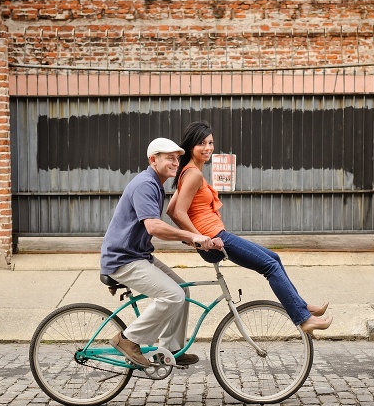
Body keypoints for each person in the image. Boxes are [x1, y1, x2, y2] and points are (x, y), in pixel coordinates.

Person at [166, 120, 333, 337]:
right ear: (191, 146)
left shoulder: (189, 172)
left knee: (274, 258)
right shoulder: (193, 174)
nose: (207, 148)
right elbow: (178, 212)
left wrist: (194, 239)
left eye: (210, 143)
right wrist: (197, 239)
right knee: (270, 267)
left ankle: (300, 306)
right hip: (215, 237)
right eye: (201, 143)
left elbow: (171, 210)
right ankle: (303, 319)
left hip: (214, 236)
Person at [101, 137, 215, 368]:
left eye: (177, 158)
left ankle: (170, 349)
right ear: (153, 160)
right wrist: (192, 236)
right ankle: (128, 339)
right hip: (124, 259)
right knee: (173, 295)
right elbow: (153, 227)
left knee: (183, 291)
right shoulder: (146, 184)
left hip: (138, 255)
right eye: (169, 158)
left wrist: (192, 239)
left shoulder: (154, 184)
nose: (175, 163)